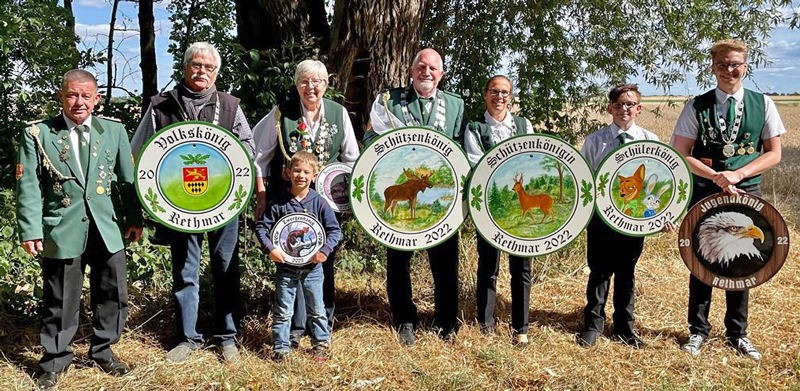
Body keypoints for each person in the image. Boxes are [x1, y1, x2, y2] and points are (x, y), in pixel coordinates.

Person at [16, 69, 143, 389]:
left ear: (97, 98)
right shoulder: (38, 134)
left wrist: (134, 218)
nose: (79, 102)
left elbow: (127, 181)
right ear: (61, 96)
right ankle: (55, 360)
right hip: (63, 229)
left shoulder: (113, 131)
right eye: (72, 95)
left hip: (107, 226)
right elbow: (29, 186)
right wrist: (30, 230)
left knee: (113, 292)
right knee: (60, 296)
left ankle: (103, 350)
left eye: (86, 96)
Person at [130, 42, 255, 363]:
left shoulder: (229, 105)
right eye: (196, 65)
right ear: (185, 67)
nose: (202, 72)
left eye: (209, 67)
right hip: (179, 207)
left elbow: (249, 150)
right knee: (185, 270)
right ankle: (188, 338)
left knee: (225, 268)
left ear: (216, 72)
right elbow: (139, 152)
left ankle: (227, 337)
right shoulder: (161, 105)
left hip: (223, 203)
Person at [670, 39, 785, 361]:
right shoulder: (696, 105)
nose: (729, 70)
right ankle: (697, 331)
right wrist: (717, 177)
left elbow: (774, 154)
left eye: (735, 64)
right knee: (701, 260)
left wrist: (737, 174)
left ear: (745, 67)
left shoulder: (764, 104)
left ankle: (738, 333)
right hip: (707, 191)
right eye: (722, 64)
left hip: (748, 192)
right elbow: (681, 152)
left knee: (744, 262)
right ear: (713, 68)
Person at [252, 59, 358, 348]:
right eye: (304, 81)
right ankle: (295, 330)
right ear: (297, 84)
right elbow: (259, 157)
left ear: (326, 85)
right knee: (291, 260)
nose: (311, 87)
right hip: (289, 200)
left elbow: (351, 158)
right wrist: (262, 197)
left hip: (325, 204)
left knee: (323, 260)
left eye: (317, 82)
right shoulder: (280, 114)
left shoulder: (339, 113)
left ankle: (322, 325)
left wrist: (343, 196)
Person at [366, 48, 465, 345]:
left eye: (433, 68)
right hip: (401, 185)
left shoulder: (456, 106)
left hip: (440, 200)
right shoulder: (389, 101)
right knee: (398, 260)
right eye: (421, 66)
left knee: (446, 261)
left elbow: (460, 149)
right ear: (410, 71)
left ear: (441, 74)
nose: (427, 71)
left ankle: (446, 321)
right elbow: (372, 140)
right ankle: (405, 319)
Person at [576, 84, 658, 349]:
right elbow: (584, 180)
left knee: (626, 272)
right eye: (619, 104)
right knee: (599, 271)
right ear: (610, 107)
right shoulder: (594, 141)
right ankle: (593, 324)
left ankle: (624, 328)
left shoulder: (650, 140)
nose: (624, 109)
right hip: (601, 219)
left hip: (633, 220)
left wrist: (660, 215)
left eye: (630, 104)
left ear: (638, 108)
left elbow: (658, 185)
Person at [463, 75, 534, 345]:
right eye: (494, 91)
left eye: (505, 92)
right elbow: (476, 164)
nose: (500, 97)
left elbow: (531, 159)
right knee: (488, 266)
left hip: (519, 210)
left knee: (521, 267)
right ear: (485, 95)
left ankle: (521, 328)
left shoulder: (523, 125)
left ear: (511, 97)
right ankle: (486, 324)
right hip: (489, 208)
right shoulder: (475, 128)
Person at [255, 151, 341, 362]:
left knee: (317, 308)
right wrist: (270, 249)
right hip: (286, 267)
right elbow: (261, 228)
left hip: (313, 268)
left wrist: (324, 251)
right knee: (283, 310)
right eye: (296, 171)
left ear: (314, 175)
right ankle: (281, 349)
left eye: (306, 172)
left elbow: (335, 231)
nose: (301, 175)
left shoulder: (320, 203)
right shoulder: (279, 203)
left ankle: (320, 344)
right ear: (287, 173)